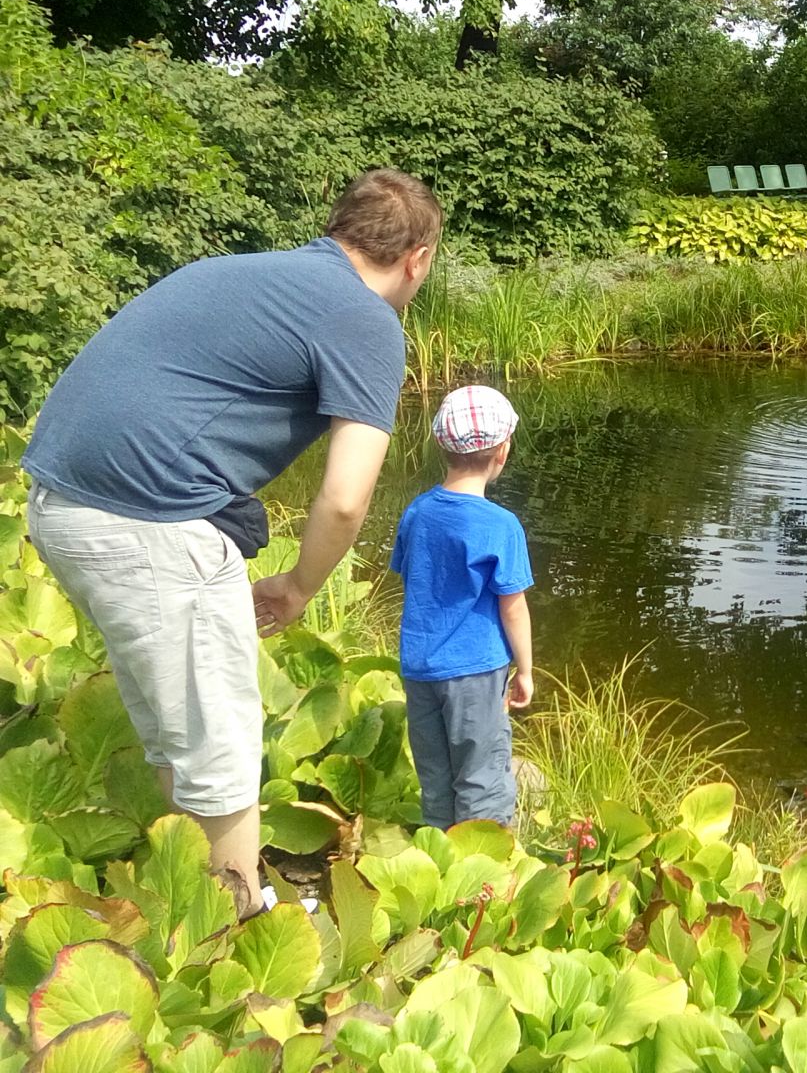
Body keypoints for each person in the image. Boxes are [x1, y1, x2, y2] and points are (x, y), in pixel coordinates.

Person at [22, 168, 440, 916]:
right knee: (220, 739)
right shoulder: (367, 319)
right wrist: (299, 586)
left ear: (337, 229)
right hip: (142, 520)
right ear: (417, 259)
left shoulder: (237, 270)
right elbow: (346, 499)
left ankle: (187, 891)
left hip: (59, 502)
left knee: (181, 720)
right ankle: (235, 926)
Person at [390, 384, 535, 830]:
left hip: (420, 668)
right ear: (503, 452)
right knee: (482, 776)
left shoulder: (417, 511)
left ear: (440, 445)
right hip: (475, 672)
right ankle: (482, 881)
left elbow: (411, 574)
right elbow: (513, 608)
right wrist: (526, 671)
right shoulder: (501, 525)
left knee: (436, 776)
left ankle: (438, 864)